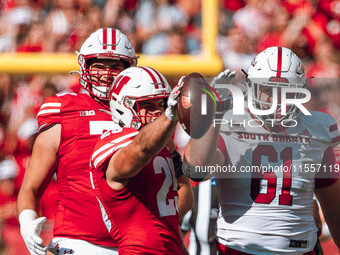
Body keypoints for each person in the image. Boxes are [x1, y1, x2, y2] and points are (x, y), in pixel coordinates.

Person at [183, 46, 340, 254]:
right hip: (238, 249)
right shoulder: (229, 121)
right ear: (251, 87)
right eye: (268, 90)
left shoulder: (319, 127)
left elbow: (335, 210)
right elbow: (196, 169)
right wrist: (214, 117)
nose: (276, 101)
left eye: (287, 92)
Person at [16, 28, 138, 255]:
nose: (107, 74)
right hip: (78, 244)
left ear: (129, 69)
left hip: (136, 244)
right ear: (84, 66)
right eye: (99, 65)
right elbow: (31, 186)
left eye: (115, 66)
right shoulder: (64, 109)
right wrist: (26, 221)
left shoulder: (144, 111)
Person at [90, 66, 192, 254]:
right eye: (149, 106)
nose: (158, 113)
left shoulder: (165, 145)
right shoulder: (111, 142)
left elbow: (185, 190)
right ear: (124, 106)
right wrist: (169, 116)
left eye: (162, 105)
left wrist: (165, 225)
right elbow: (141, 150)